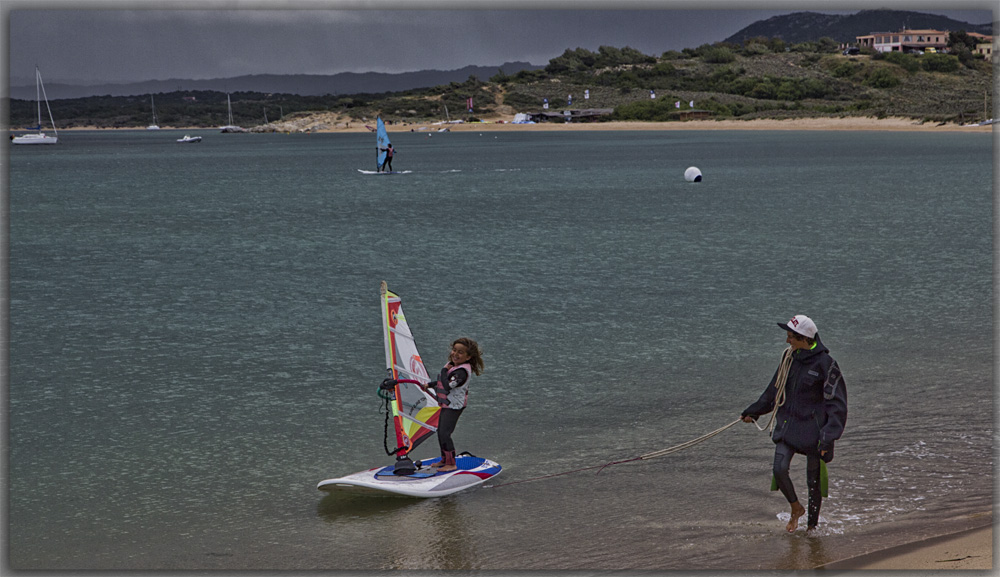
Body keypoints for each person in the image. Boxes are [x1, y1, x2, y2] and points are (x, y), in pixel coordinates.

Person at [741, 315, 847, 534]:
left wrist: (828, 436)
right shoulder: (789, 359)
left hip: (814, 434)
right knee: (779, 469)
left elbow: (837, 406)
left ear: (804, 339)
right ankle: (796, 508)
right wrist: (754, 411)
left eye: (790, 337)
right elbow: (774, 391)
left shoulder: (827, 365)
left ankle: (812, 529)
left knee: (813, 484)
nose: (787, 341)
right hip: (788, 427)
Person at [423, 337, 484, 472]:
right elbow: (442, 382)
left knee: (445, 433)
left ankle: (451, 463)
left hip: (454, 406)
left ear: (468, 357)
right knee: (441, 432)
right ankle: (445, 459)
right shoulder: (454, 367)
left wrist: (444, 370)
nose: (455, 354)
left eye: (460, 352)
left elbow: (448, 385)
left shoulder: (461, 372)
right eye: (454, 350)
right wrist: (429, 385)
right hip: (447, 405)